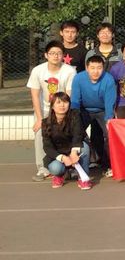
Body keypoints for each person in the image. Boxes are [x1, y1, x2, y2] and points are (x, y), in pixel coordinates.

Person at [27, 40, 77, 182]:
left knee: (67, 134)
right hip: (44, 109)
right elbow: (35, 95)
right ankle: (42, 169)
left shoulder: (69, 71)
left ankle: (70, 167)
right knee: (39, 133)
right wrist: (39, 118)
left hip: (63, 109)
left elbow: (69, 95)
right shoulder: (38, 70)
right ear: (46, 55)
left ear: (63, 55)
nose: (55, 56)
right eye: (52, 53)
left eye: (59, 53)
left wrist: (64, 114)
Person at [71, 55, 117, 177]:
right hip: (84, 110)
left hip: (102, 110)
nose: (96, 71)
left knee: (109, 135)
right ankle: (74, 166)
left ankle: (107, 165)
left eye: (99, 68)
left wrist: (109, 119)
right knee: (75, 133)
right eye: (92, 68)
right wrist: (74, 119)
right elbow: (75, 100)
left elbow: (109, 102)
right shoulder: (78, 78)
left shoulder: (108, 79)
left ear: (103, 68)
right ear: (87, 68)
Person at [41, 92, 92, 190]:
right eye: (58, 102)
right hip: (59, 154)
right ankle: (60, 175)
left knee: (84, 147)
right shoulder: (45, 123)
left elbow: (78, 135)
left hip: (73, 149)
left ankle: (83, 177)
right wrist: (63, 158)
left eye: (65, 102)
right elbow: (47, 147)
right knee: (55, 168)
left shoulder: (75, 115)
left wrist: (74, 152)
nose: (62, 105)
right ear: (52, 106)